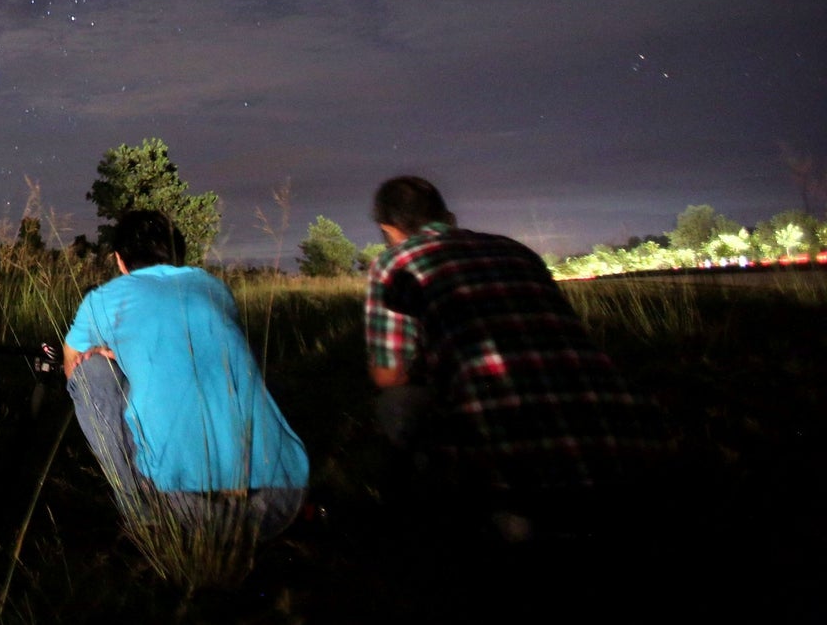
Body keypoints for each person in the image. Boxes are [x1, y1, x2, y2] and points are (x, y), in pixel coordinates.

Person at [364, 175, 665, 534]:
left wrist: (434, 367)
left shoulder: (394, 263)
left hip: (514, 469)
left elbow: (389, 375)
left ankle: (419, 520)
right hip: (623, 448)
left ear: (389, 229)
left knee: (396, 403)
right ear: (448, 216)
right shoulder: (516, 250)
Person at [63, 209, 308, 538]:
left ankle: (142, 516)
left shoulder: (102, 300)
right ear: (180, 255)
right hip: (284, 495)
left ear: (120, 261)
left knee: (90, 372)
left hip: (193, 508)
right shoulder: (215, 289)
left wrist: (111, 354)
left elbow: (71, 367)